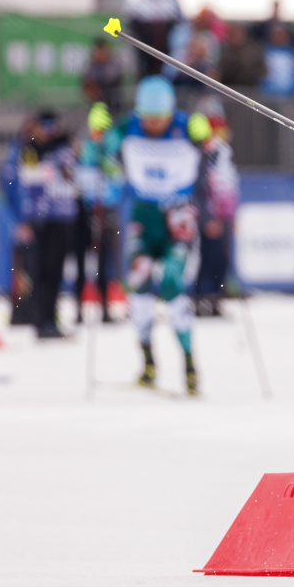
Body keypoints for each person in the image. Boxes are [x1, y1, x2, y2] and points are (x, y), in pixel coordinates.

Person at [106, 76, 211, 395]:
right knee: (137, 283)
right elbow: (101, 160)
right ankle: (148, 362)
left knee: (171, 284)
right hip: (144, 214)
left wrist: (208, 138)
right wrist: (98, 138)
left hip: (179, 216)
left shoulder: (186, 127)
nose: (152, 125)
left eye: (159, 119)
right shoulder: (127, 127)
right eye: (147, 119)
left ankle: (190, 364)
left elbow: (219, 156)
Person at [0, 111, 79, 338]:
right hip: (39, 220)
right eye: (43, 127)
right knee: (38, 273)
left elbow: (72, 177)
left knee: (54, 273)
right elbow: (16, 183)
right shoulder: (27, 149)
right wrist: (19, 220)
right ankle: (39, 320)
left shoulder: (64, 148)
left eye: (51, 126)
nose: (47, 131)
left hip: (61, 218)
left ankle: (49, 319)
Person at [75, 102, 125, 324]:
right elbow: (79, 177)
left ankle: (105, 307)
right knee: (80, 260)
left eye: (100, 130)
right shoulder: (85, 144)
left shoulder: (114, 144)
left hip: (106, 209)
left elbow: (119, 177)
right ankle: (79, 309)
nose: (97, 134)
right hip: (85, 210)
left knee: (105, 259)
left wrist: (106, 163)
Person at [193, 118, 240, 317]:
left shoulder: (225, 156)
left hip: (224, 217)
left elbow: (230, 189)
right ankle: (201, 298)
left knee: (221, 259)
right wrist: (207, 218)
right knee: (209, 258)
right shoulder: (205, 156)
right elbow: (200, 190)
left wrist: (231, 217)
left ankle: (215, 299)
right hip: (211, 218)